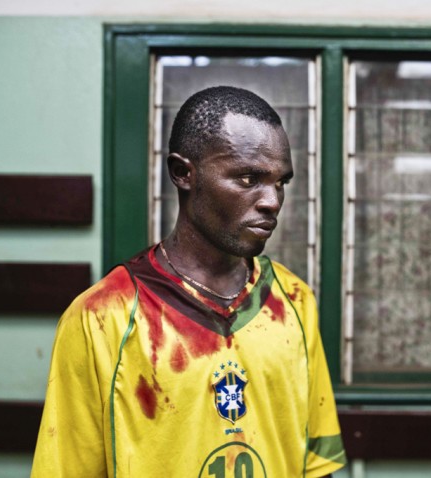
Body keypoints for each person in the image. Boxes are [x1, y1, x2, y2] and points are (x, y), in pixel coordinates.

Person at [31, 86, 346, 477]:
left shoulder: (294, 302)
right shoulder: (103, 317)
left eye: (281, 182)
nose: (272, 201)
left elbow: (317, 467)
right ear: (183, 173)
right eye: (249, 179)